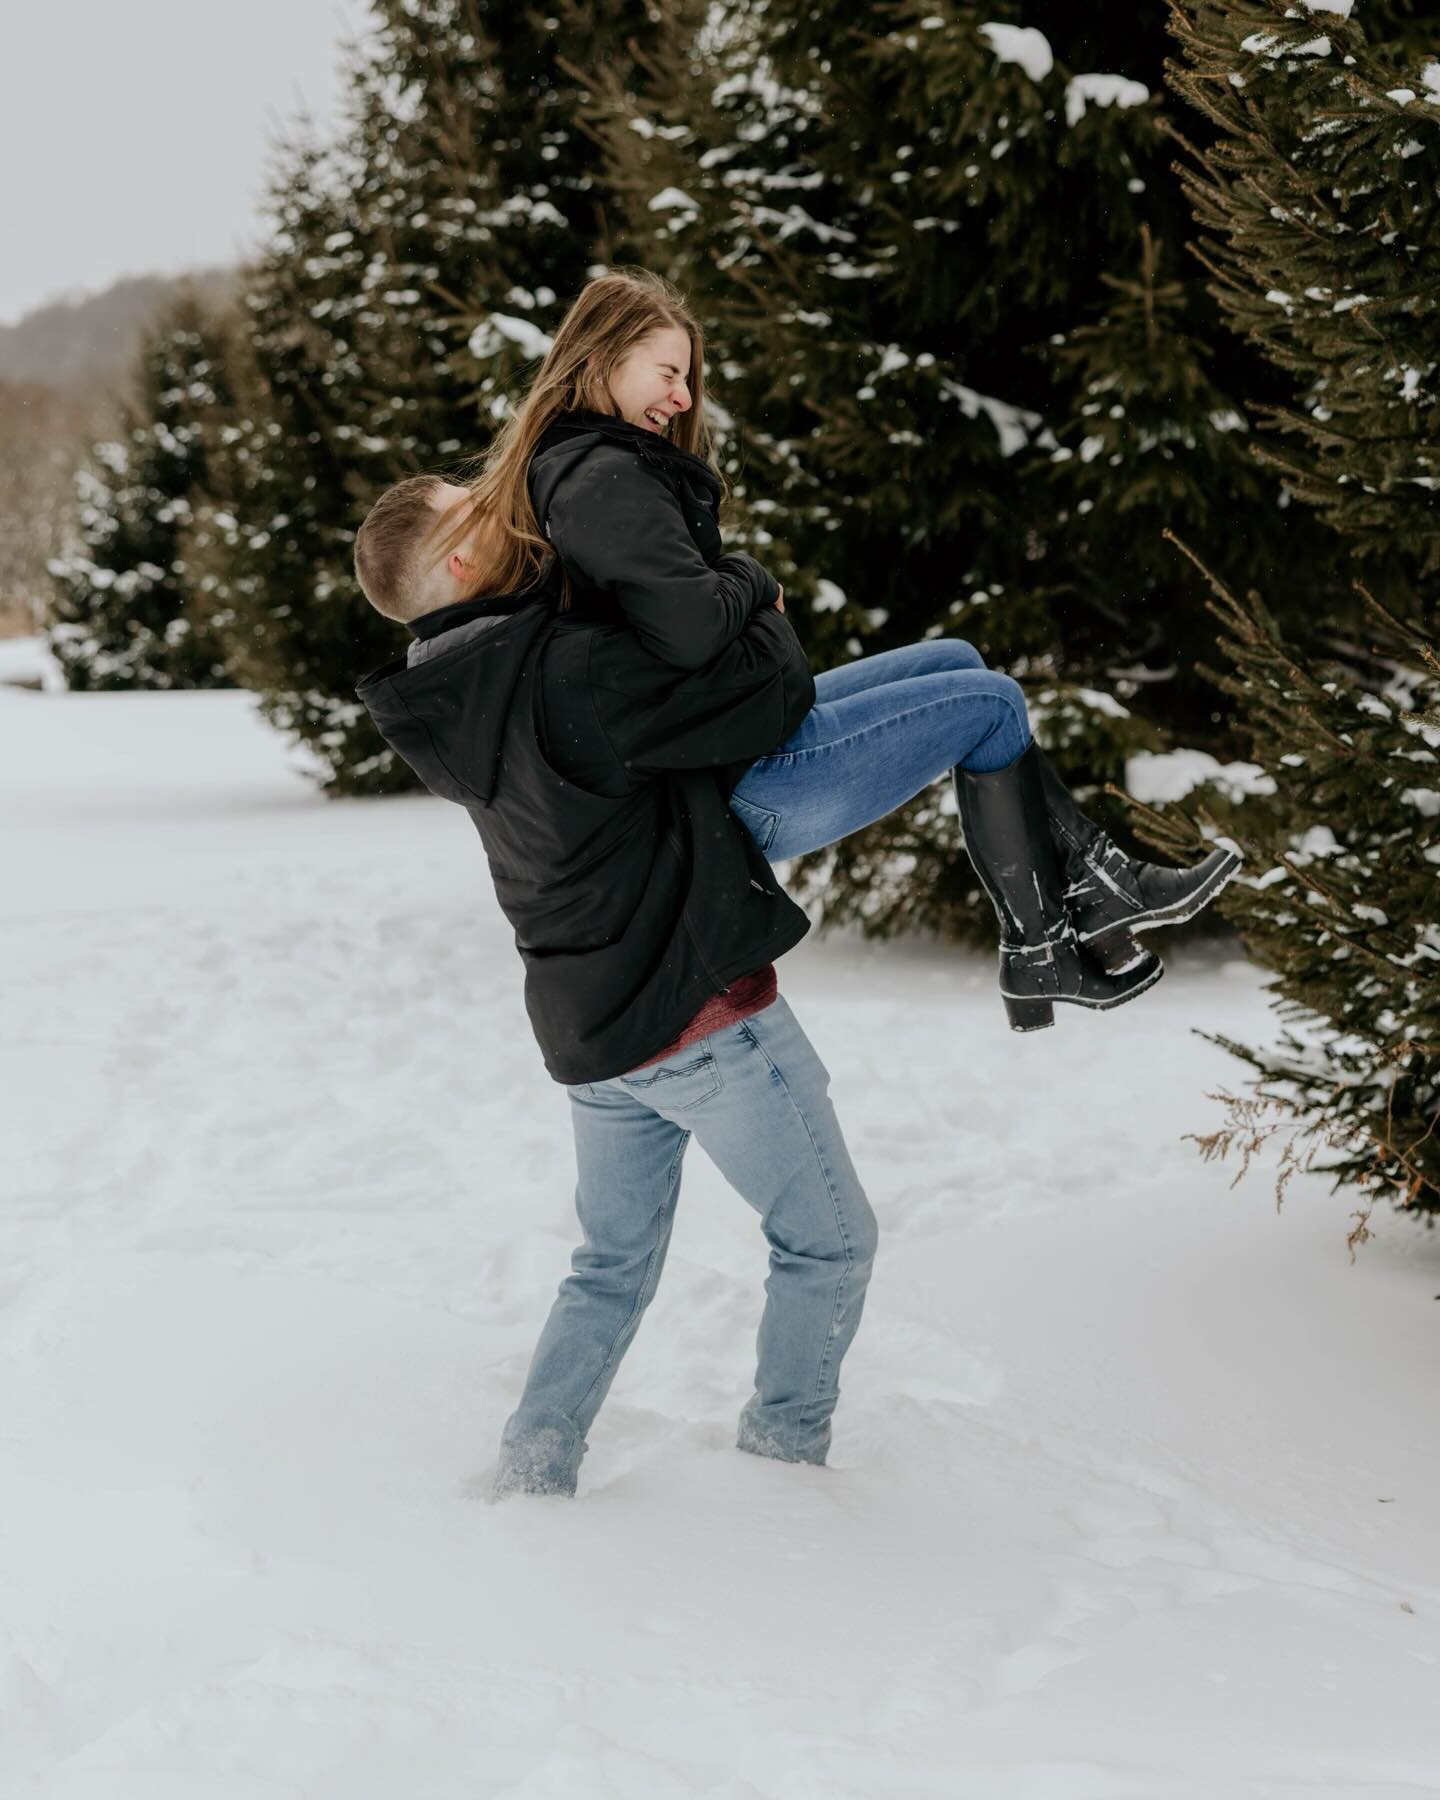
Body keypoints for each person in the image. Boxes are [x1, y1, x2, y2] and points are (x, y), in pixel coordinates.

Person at [353, 268, 1239, 1497]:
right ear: (457, 552)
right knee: (829, 1243)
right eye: (478, 504)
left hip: (592, 1032)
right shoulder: (559, 673)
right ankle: (783, 1469)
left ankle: (530, 1469)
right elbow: (739, 679)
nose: (508, 504)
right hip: (693, 1014)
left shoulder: (468, 693)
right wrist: (754, 591)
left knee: (610, 1264)